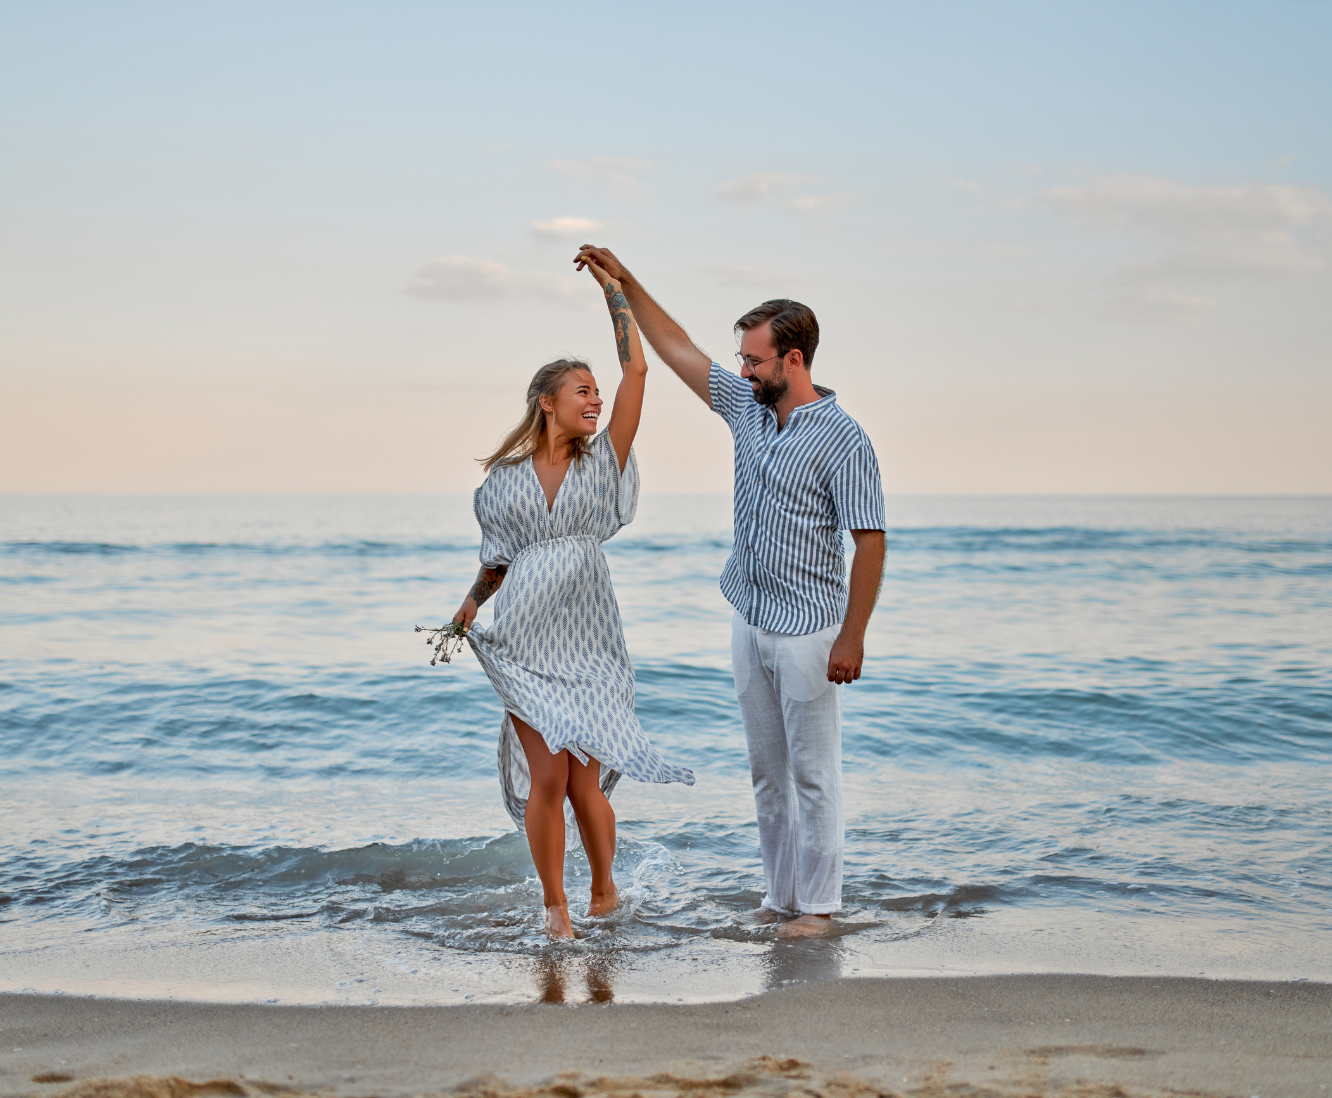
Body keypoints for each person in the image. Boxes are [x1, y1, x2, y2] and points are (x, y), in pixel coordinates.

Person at [573, 245, 886, 939]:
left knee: (813, 775)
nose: (742, 370)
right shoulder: (746, 408)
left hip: (811, 628)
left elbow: (870, 538)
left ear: (794, 359)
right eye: (741, 359)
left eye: (754, 359)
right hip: (750, 617)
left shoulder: (844, 439)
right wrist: (624, 284)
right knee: (766, 775)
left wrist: (853, 634)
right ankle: (779, 901)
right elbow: (677, 346)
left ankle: (821, 908)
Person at [452, 257, 694, 939]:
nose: (594, 400)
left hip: (591, 640)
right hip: (524, 641)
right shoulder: (504, 480)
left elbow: (637, 375)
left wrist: (613, 293)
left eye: (596, 390)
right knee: (548, 781)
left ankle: (606, 891)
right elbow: (497, 559)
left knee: (587, 784)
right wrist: (470, 605)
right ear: (546, 402)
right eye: (581, 391)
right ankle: (556, 909)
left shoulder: (605, 458)